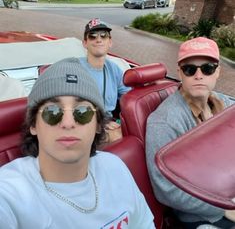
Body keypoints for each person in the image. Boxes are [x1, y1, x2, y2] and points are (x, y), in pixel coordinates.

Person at [0, 57, 155, 229]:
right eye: (52, 111)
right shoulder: (9, 194)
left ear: (97, 124)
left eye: (82, 112)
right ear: (33, 125)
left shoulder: (115, 167)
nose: (68, 123)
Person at [146, 37, 235, 229]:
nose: (199, 75)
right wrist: (223, 208)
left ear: (217, 72)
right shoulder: (164, 121)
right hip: (202, 217)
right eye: (189, 69)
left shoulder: (226, 105)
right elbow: (166, 189)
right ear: (180, 72)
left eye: (208, 68)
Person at [80, 18, 131, 142]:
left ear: (110, 42)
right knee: (118, 137)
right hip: (84, 124)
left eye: (104, 36)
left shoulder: (114, 69)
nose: (98, 39)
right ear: (85, 43)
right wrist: (99, 122)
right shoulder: (75, 68)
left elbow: (128, 96)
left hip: (109, 123)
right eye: (92, 36)